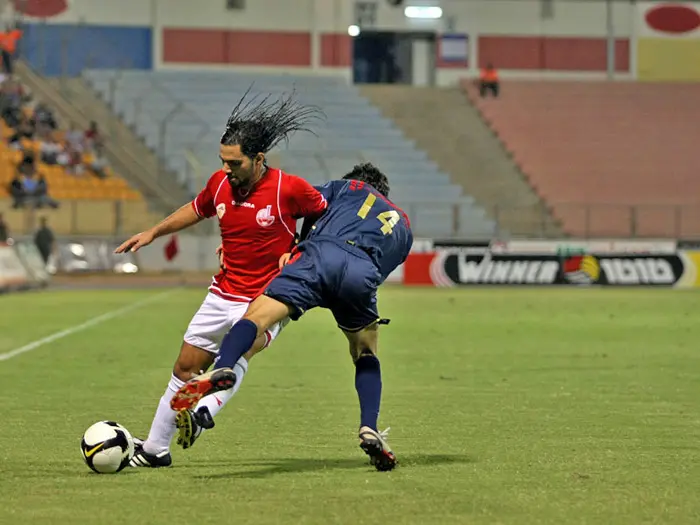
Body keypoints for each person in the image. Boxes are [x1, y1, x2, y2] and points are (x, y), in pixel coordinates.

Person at [114, 89, 328, 468]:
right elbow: (197, 209)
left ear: (259, 159)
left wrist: (298, 247)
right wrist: (153, 232)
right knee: (184, 368)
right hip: (223, 292)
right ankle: (155, 450)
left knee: (241, 349)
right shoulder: (219, 183)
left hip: (267, 297)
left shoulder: (288, 188)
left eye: (235, 162)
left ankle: (205, 411)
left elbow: (323, 216)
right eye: (223, 161)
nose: (227, 169)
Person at [171, 163, 413, 472]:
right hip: (362, 273)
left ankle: (223, 367)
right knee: (365, 352)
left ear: (356, 181)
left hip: (318, 256)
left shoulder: (344, 188)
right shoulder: (403, 225)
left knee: (256, 317)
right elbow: (383, 268)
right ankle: (369, 427)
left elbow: (299, 206)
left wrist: (295, 247)